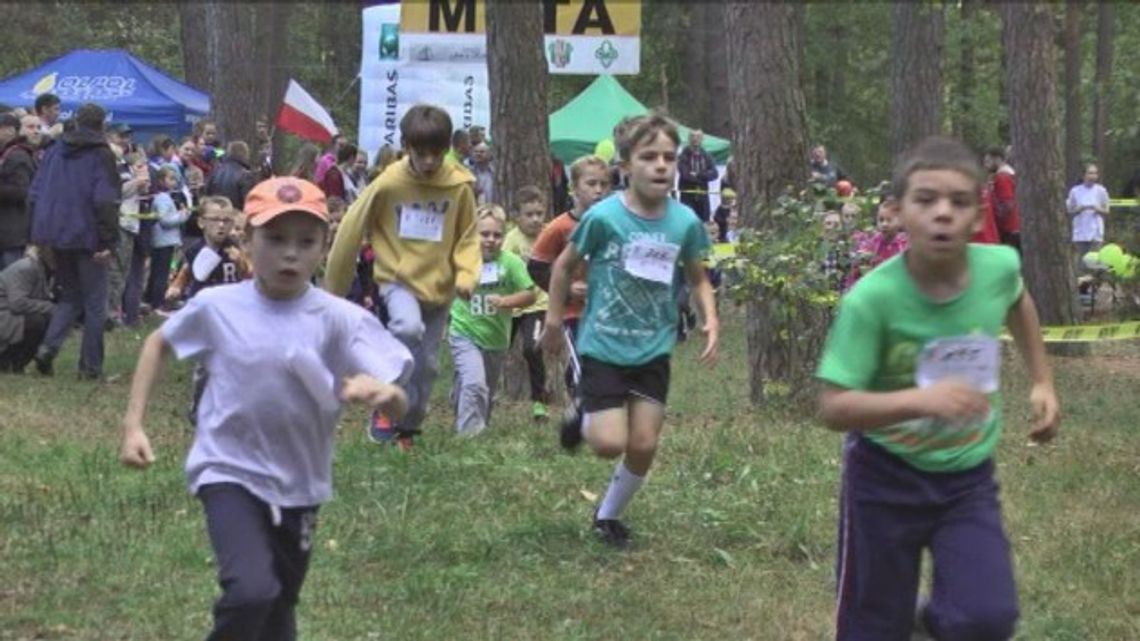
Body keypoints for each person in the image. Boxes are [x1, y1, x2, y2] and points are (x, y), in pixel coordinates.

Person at [118, 176, 413, 641]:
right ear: (248, 240)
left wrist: (386, 396)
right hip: (227, 471)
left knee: (279, 607)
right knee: (252, 590)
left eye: (306, 242)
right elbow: (159, 343)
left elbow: (397, 401)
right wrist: (133, 425)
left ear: (325, 248)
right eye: (275, 239)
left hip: (301, 484)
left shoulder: (340, 318)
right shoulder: (218, 307)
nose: (290, 254)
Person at [816, 136, 1059, 641]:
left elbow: (1018, 301)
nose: (942, 213)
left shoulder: (998, 268)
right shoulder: (872, 300)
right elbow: (833, 406)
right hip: (882, 476)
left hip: (967, 476)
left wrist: (1042, 381)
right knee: (873, 627)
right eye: (925, 200)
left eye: (959, 201)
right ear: (897, 212)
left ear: (978, 215)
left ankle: (934, 621)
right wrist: (920, 401)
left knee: (987, 617)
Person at [540, 114, 719, 548]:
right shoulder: (604, 217)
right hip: (603, 343)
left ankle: (608, 515)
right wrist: (553, 319)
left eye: (669, 158)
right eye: (649, 157)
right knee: (608, 443)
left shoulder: (684, 222)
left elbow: (697, 276)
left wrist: (711, 317)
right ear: (625, 166)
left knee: (643, 443)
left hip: (653, 348)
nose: (661, 165)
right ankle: (584, 410)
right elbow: (562, 266)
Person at [324, 104, 480, 450]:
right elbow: (351, 227)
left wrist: (467, 275)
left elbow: (468, 236)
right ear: (406, 147)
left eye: (436, 154)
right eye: (420, 154)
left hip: (439, 286)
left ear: (446, 149)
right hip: (398, 278)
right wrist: (334, 288)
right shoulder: (389, 183)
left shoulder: (459, 187)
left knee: (426, 366)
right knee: (407, 329)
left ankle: (407, 427)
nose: (429, 162)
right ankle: (385, 402)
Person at [28, 102, 120, 379]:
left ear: (77, 122)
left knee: (70, 295)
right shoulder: (101, 153)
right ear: (102, 124)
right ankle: (90, 367)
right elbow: (105, 199)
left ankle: (48, 347)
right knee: (95, 302)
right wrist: (108, 241)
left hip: (55, 233)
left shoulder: (54, 150)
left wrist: (38, 234)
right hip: (88, 234)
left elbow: (36, 192)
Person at [527, 154, 611, 419]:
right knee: (583, 366)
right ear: (574, 188)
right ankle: (581, 417)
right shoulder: (559, 227)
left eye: (604, 184)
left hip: (605, 312)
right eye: (591, 184)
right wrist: (565, 291)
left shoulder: (613, 224)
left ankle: (584, 409)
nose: (598, 190)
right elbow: (536, 267)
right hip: (572, 313)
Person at [448, 205, 537, 436]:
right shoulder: (464, 260)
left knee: (483, 389)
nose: (490, 240)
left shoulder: (511, 263)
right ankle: (468, 438)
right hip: (464, 332)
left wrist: (506, 301)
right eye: (484, 234)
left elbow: (530, 294)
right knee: (475, 383)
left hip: (496, 339)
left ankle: (474, 420)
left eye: (497, 235)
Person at [503, 185, 551, 421]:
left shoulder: (549, 234)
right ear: (517, 216)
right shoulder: (511, 240)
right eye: (529, 214)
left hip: (539, 304)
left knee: (532, 349)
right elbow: (501, 267)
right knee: (497, 349)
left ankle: (540, 403)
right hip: (513, 305)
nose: (535, 219)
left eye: (539, 213)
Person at [0, 245, 53, 373]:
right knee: (38, 321)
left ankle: (18, 363)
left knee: (50, 319)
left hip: (10, 313)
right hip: (4, 314)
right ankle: (11, 362)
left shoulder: (45, 269)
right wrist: (50, 307)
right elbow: (17, 303)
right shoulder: (26, 267)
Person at [146, 167, 191, 315]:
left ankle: (154, 300)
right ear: (161, 181)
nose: (174, 182)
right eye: (170, 179)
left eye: (175, 179)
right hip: (163, 241)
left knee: (160, 272)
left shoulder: (166, 197)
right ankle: (158, 302)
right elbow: (165, 220)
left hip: (165, 241)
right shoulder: (162, 199)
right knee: (161, 273)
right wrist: (183, 215)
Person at [0, 112, 38, 269]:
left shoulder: (17, 155)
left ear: (10, 130)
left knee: (10, 279)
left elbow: (21, 191)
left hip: (12, 233)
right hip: (7, 232)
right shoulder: (7, 153)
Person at [1067, 163, 1110, 274]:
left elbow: (1107, 210)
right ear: (1084, 175)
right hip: (1080, 232)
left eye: (1095, 173)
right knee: (1082, 263)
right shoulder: (1075, 191)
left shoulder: (1101, 191)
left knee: (1094, 262)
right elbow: (1069, 210)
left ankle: (1094, 282)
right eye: (1090, 173)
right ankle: (1081, 282)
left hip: (1096, 232)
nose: (1093, 176)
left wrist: (1097, 209)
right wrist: (1079, 209)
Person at [983, 146, 1021, 252]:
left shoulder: (1002, 177)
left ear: (997, 159)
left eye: (988, 161)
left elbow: (1007, 204)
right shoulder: (1009, 175)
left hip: (1009, 230)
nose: (986, 165)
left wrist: (996, 222)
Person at [677, 129, 718, 222]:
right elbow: (685, 175)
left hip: (703, 195)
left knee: (704, 223)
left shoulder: (706, 155)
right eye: (693, 137)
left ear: (702, 139)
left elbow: (715, 174)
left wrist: (698, 174)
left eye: (698, 137)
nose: (695, 139)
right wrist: (704, 176)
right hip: (688, 196)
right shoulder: (683, 155)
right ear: (689, 139)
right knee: (687, 222)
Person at [205, 140, 257, 211]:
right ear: (245, 154)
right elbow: (249, 203)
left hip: (215, 213)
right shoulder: (245, 175)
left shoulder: (215, 172)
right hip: (235, 214)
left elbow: (207, 196)